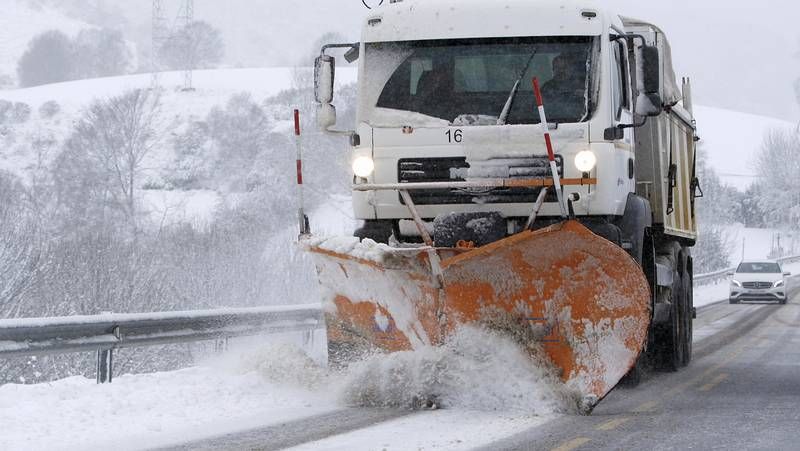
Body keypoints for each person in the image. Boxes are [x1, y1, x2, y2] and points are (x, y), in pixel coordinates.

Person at [540, 53, 586, 121]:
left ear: (571, 69)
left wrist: (583, 95)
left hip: (577, 122)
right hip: (549, 122)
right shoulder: (546, 88)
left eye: (564, 68)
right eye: (557, 68)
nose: (561, 71)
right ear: (553, 70)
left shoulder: (580, 85)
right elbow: (542, 108)